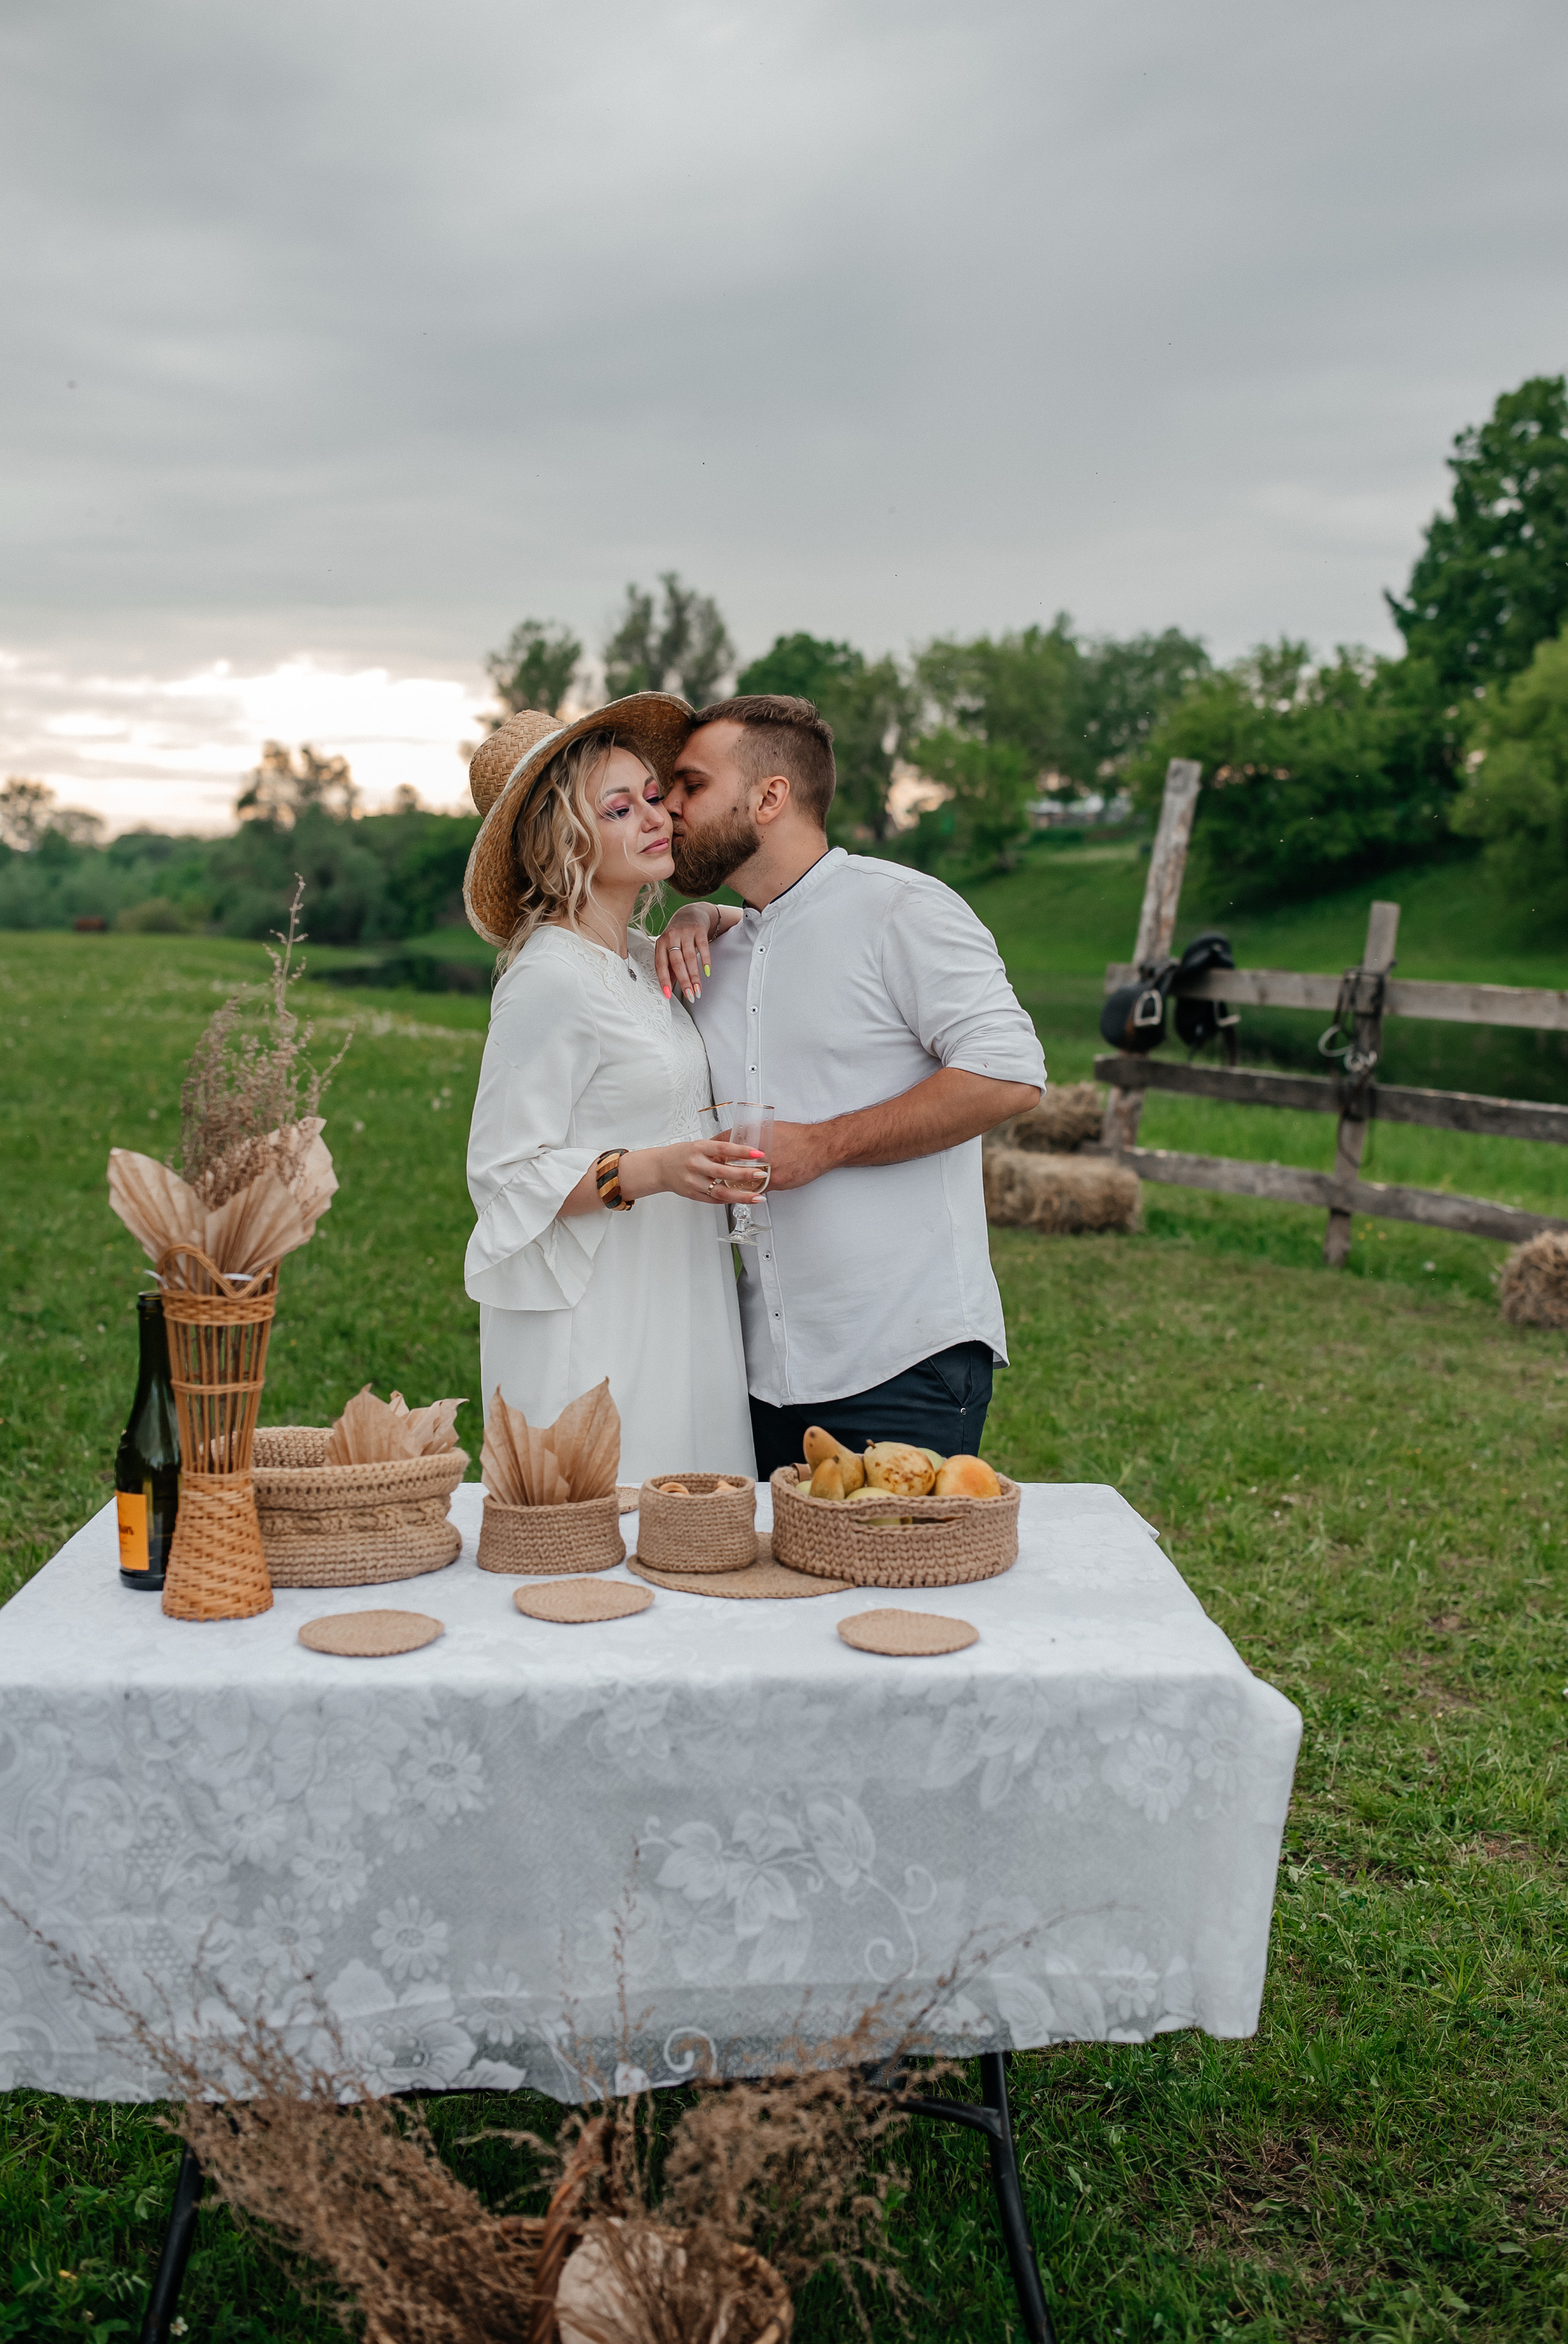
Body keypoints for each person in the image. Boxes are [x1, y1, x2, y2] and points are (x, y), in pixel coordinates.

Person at [654, 693, 1045, 1478]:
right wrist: (699, 914)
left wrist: (826, 1144)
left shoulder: (901, 909)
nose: (668, 807)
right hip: (757, 1371)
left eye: (690, 785)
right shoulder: (717, 948)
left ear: (770, 797)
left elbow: (1009, 1073)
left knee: (887, 1594)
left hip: (902, 1359)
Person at [461, 695, 758, 1485]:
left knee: (694, 1536)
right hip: (598, 1316)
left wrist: (704, 913)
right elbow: (503, 1170)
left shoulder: (636, 956)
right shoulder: (548, 977)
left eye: (653, 797)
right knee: (606, 1542)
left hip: (680, 1289)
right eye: (619, 807)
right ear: (566, 838)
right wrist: (652, 1170)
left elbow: (768, 929)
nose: (655, 817)